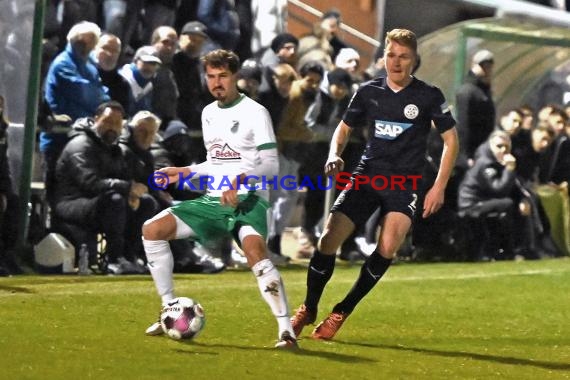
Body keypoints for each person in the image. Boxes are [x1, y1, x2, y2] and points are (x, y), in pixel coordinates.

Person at [290, 29, 459, 340]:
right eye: (391, 55)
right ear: (383, 57)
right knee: (328, 239)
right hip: (367, 177)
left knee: (388, 246)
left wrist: (438, 187)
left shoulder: (428, 95)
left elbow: (451, 140)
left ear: (414, 60)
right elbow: (343, 129)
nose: (396, 62)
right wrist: (334, 153)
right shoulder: (368, 92)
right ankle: (309, 307)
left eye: (403, 56)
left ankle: (341, 311)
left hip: (404, 182)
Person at [142, 49, 297, 348]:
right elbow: (215, 162)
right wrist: (184, 172)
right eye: (211, 76)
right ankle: (169, 308)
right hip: (215, 199)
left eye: (222, 76)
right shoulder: (209, 113)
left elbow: (271, 165)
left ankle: (286, 330)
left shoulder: (255, 112)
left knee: (255, 252)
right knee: (152, 230)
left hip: (249, 199)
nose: (216, 83)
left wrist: (241, 180)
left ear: (235, 76)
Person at [53, 101, 147, 274]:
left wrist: (133, 193)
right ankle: (114, 259)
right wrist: (127, 188)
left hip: (99, 200)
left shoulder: (117, 149)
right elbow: (89, 183)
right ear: (96, 119)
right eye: (108, 122)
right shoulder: (80, 144)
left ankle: (130, 256)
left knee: (146, 203)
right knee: (115, 201)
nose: (112, 128)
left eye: (117, 124)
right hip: (71, 202)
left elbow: (130, 174)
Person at [455, 49, 496, 166]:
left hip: (481, 150)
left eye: (489, 66)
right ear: (474, 65)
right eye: (483, 65)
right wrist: (465, 155)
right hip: (470, 154)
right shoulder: (468, 91)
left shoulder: (484, 91)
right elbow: (463, 125)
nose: (486, 69)